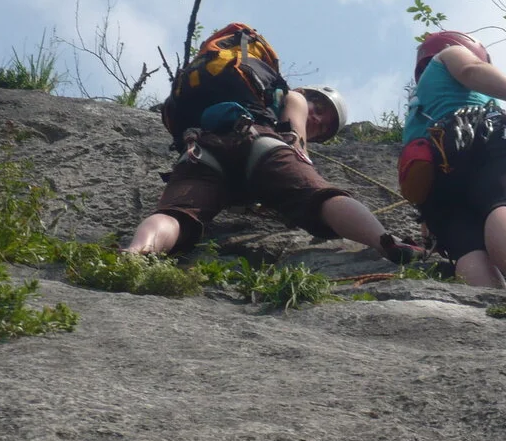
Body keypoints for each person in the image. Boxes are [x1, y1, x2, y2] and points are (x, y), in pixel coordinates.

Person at [127, 23, 417, 262]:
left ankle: (135, 253)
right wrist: (299, 174)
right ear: (306, 93)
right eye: (318, 109)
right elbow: (295, 143)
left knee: (175, 215)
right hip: (260, 142)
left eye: (325, 126)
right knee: (321, 197)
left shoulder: (242, 81)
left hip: (200, 148)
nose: (317, 119)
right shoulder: (294, 97)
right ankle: (387, 242)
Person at [403, 31, 506, 288]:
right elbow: (471, 70)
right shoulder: (450, 53)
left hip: (435, 179)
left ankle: (492, 308)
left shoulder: (417, 108)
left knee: (467, 247)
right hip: (481, 138)